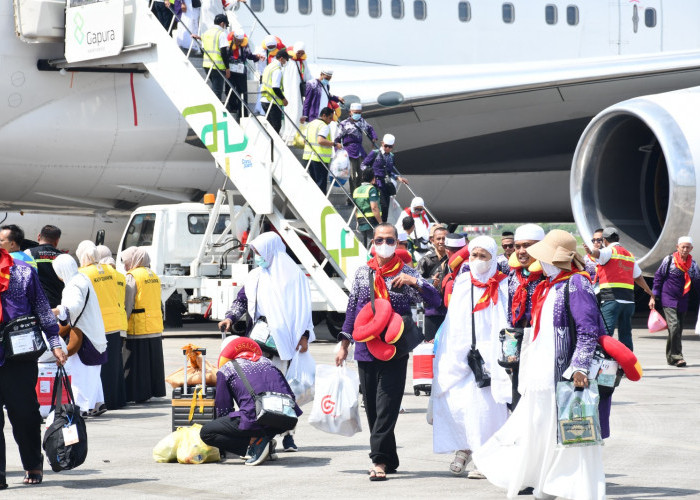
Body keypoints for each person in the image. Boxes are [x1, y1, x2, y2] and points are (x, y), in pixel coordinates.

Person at [474, 229, 606, 500]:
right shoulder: (551, 285)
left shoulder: (577, 285)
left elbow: (587, 330)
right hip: (542, 373)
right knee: (539, 429)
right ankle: (545, 482)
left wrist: (580, 366)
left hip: (564, 373)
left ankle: (568, 486)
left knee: (569, 434)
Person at [335, 223, 440, 481]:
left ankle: (379, 461)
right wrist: (344, 344)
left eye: (390, 240)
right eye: (380, 239)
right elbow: (352, 311)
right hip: (366, 351)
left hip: (395, 350)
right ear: (373, 242)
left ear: (397, 242)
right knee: (372, 408)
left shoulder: (406, 272)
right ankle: (389, 457)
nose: (384, 244)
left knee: (387, 406)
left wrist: (415, 282)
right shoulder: (362, 274)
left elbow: (435, 300)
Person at [217, 232, 315, 452]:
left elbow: (304, 310)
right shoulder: (255, 276)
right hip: (258, 342)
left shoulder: (294, 276)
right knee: (261, 389)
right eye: (256, 252)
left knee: (285, 391)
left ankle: (288, 434)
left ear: (271, 250)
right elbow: (242, 300)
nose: (257, 256)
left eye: (260, 251)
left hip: (285, 344)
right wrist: (230, 317)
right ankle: (262, 433)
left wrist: (305, 335)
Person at [432, 236, 510, 479]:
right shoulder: (463, 282)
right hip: (463, 354)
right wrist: (456, 354)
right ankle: (463, 448)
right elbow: (455, 320)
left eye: (483, 256)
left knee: (486, 410)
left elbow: (504, 322)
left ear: (493, 257)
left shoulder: (503, 284)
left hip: (491, 357)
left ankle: (484, 457)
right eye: (474, 255)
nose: (477, 261)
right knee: (460, 404)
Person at [0, 247, 66, 487]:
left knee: (25, 415)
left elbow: (42, 309)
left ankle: (33, 464)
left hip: (19, 356)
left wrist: (56, 343)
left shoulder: (23, 272)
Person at [200, 337, 301, 465]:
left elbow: (223, 408)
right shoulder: (267, 362)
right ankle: (264, 441)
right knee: (256, 420)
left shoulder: (226, 369)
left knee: (207, 432)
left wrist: (238, 434)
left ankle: (254, 446)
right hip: (285, 419)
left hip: (257, 418)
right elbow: (290, 395)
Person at [52, 253, 108, 417]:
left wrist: (55, 311)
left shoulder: (74, 285)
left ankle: (81, 408)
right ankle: (97, 402)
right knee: (92, 371)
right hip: (94, 330)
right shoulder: (82, 278)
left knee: (81, 372)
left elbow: (73, 306)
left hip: (85, 333)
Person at [585, 227, 654, 351]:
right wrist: (649, 291)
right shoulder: (629, 255)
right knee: (626, 334)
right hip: (628, 302)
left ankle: (604, 363)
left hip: (612, 299)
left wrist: (590, 252)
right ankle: (625, 365)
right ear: (619, 239)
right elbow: (638, 277)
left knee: (605, 334)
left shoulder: (609, 251)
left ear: (604, 240)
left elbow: (598, 254)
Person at [79, 242, 128, 410]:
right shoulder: (110, 271)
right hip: (114, 323)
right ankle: (118, 399)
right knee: (115, 364)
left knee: (99, 366)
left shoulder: (83, 273)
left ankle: (102, 400)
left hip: (97, 325)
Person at [506, 223, 546, 410]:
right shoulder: (511, 275)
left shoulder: (550, 274)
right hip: (517, 336)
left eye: (528, 246)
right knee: (516, 390)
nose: (522, 251)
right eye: (518, 246)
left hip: (542, 339)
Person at [122, 246, 166, 403]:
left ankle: (136, 393)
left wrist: (122, 323)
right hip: (154, 325)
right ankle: (154, 390)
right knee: (152, 362)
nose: (125, 265)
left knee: (137, 364)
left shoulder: (132, 277)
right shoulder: (154, 276)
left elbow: (128, 303)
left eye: (125, 261)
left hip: (138, 325)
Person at [651, 236, 700, 367]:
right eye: (682, 247)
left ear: (691, 249)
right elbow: (658, 277)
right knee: (674, 327)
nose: (685, 249)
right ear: (677, 247)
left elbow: (697, 282)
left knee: (678, 330)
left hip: (683, 300)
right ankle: (678, 356)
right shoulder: (669, 260)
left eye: (687, 247)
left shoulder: (693, 265)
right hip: (668, 298)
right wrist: (653, 296)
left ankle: (671, 357)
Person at [335, 102, 378, 195]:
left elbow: (370, 128)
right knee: (352, 176)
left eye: (359, 112)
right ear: (350, 112)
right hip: (349, 152)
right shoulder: (343, 124)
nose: (357, 114)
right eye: (355, 112)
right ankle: (353, 195)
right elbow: (337, 139)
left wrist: (374, 137)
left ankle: (359, 194)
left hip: (360, 151)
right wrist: (338, 154)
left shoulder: (362, 121)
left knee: (363, 175)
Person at [361, 134, 408, 218]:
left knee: (385, 207)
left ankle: (383, 223)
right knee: (379, 205)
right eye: (386, 146)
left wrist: (398, 177)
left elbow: (389, 172)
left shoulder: (391, 156)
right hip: (374, 183)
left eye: (390, 147)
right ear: (382, 143)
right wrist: (371, 176)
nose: (388, 148)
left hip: (385, 184)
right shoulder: (375, 153)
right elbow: (363, 165)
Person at [26, 225, 64, 307]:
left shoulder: (28, 253)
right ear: (57, 241)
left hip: (36, 304)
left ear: (39, 236)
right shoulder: (63, 257)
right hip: (58, 305)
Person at [303, 107, 338, 193]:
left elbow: (304, 140)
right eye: (330, 118)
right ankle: (322, 205)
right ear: (324, 116)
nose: (330, 121)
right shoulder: (324, 126)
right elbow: (320, 140)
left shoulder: (310, 124)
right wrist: (334, 144)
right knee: (321, 185)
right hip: (319, 159)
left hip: (308, 158)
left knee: (313, 184)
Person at [201, 14, 230, 104]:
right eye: (225, 25)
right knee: (217, 91)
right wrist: (227, 68)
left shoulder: (206, 33)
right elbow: (224, 52)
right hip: (218, 66)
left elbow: (202, 49)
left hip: (206, 65)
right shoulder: (221, 34)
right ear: (222, 23)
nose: (225, 27)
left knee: (214, 88)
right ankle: (217, 111)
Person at [261, 50, 290, 134]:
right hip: (272, 101)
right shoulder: (277, 70)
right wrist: (283, 99)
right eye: (286, 60)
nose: (286, 62)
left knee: (270, 126)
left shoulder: (269, 66)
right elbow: (275, 87)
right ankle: (273, 145)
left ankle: (270, 144)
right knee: (276, 126)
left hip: (264, 99)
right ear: (281, 59)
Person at [353, 167, 383, 247]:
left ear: (363, 177)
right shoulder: (371, 189)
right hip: (372, 221)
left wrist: (357, 221)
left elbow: (356, 209)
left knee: (365, 245)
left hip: (361, 221)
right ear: (373, 178)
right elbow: (374, 207)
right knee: (374, 246)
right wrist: (381, 223)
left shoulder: (356, 190)